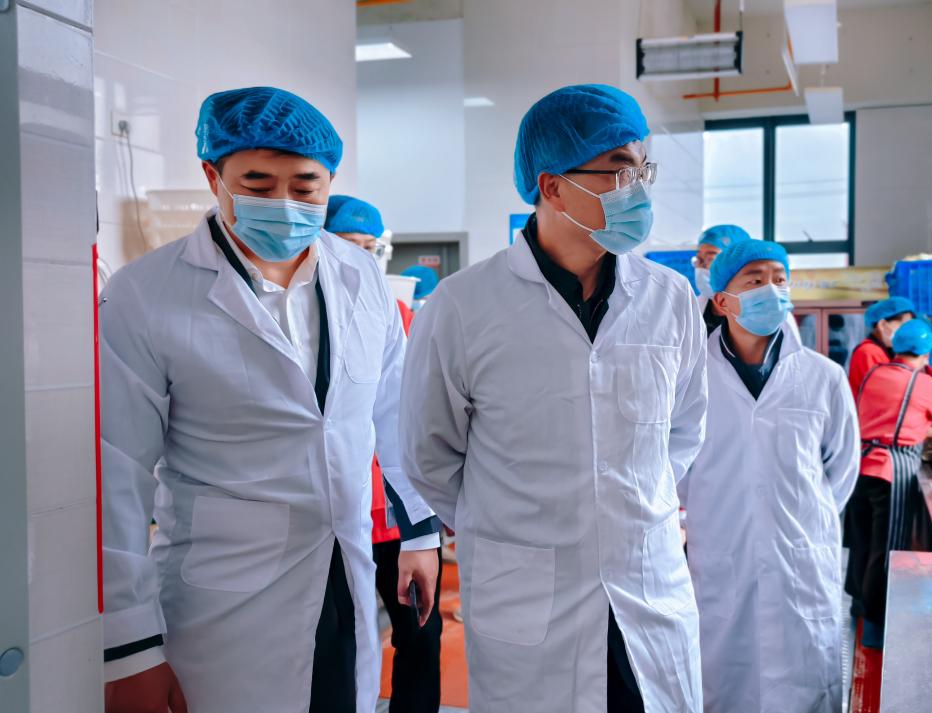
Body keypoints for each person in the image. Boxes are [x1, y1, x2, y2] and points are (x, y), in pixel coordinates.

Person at [100, 87, 440, 713]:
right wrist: (130, 650)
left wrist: (420, 533)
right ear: (214, 177)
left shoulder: (361, 276)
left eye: (306, 188)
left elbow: (397, 414)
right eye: (258, 184)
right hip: (224, 601)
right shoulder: (144, 294)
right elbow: (114, 474)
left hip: (345, 571)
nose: (284, 204)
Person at [400, 84, 707, 713]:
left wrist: (627, 501)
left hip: (645, 584)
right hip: (526, 594)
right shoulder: (464, 305)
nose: (638, 189)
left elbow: (685, 428)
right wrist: (512, 522)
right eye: (618, 171)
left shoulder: (669, 297)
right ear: (552, 187)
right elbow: (429, 455)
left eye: (642, 170)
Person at [679, 240, 860, 713]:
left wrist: (798, 515)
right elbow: (678, 469)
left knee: (804, 685)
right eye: (755, 280)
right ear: (722, 301)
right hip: (722, 556)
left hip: (800, 557)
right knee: (723, 684)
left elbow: (842, 470)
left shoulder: (823, 376)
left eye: (780, 279)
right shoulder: (690, 377)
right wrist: (720, 510)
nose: (771, 290)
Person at [326, 195, 444, 713]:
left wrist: (425, 527)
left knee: (419, 634)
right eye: (347, 244)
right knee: (340, 643)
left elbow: (410, 417)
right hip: (336, 514)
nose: (359, 257)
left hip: (396, 515)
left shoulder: (393, 314)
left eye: (369, 247)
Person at [844, 319, 932, 650]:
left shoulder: (876, 374)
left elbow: (888, 417)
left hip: (859, 467)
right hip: (892, 472)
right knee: (886, 550)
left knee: (862, 544)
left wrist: (925, 429)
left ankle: (858, 607)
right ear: (926, 353)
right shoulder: (926, 384)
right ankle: (875, 628)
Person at [847, 296, 917, 397]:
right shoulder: (869, 352)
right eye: (903, 326)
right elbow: (885, 393)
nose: (906, 333)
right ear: (882, 325)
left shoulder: (885, 352)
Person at [692, 224, 750, 333]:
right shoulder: (692, 308)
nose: (701, 267)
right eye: (699, 259)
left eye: (711, 258)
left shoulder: (762, 312)